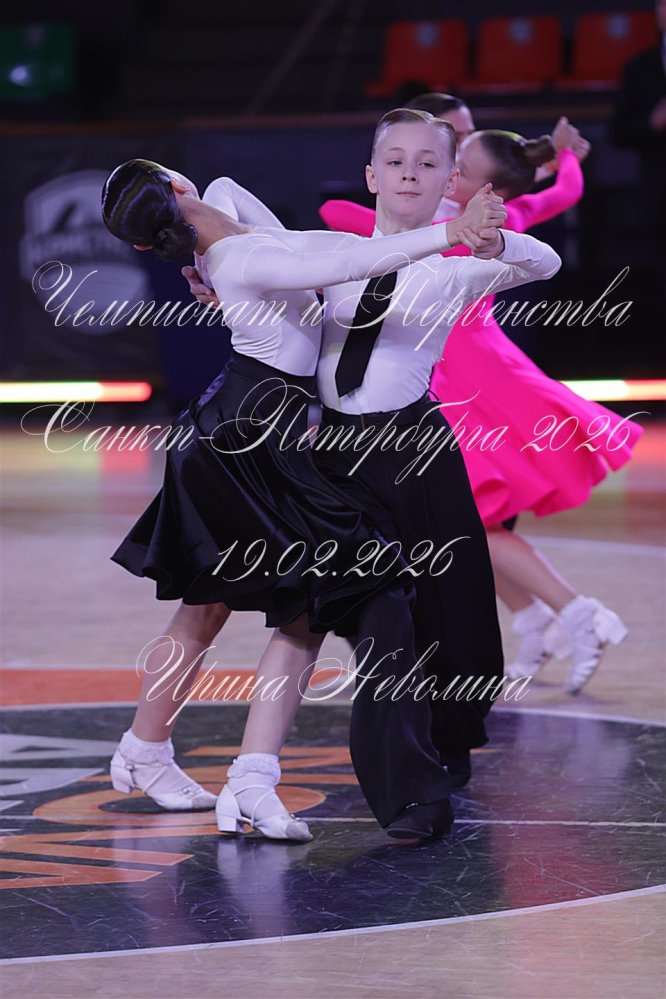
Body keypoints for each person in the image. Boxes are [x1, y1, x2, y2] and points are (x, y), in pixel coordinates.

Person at [101, 158, 505, 840]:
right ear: (173, 185)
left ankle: (157, 751)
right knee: (309, 597)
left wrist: (196, 253)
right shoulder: (243, 259)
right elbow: (353, 259)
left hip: (252, 436)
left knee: (223, 606)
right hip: (245, 446)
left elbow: (229, 192)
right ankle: (240, 775)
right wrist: (452, 232)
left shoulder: (232, 237)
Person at [320, 121, 639, 694]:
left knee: (472, 518)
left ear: (483, 189)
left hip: (471, 385)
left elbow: (336, 213)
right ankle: (534, 618)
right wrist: (561, 158)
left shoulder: (459, 229)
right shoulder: (464, 219)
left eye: (456, 168)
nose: (441, 176)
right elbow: (566, 192)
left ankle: (576, 612)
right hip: (471, 374)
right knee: (469, 521)